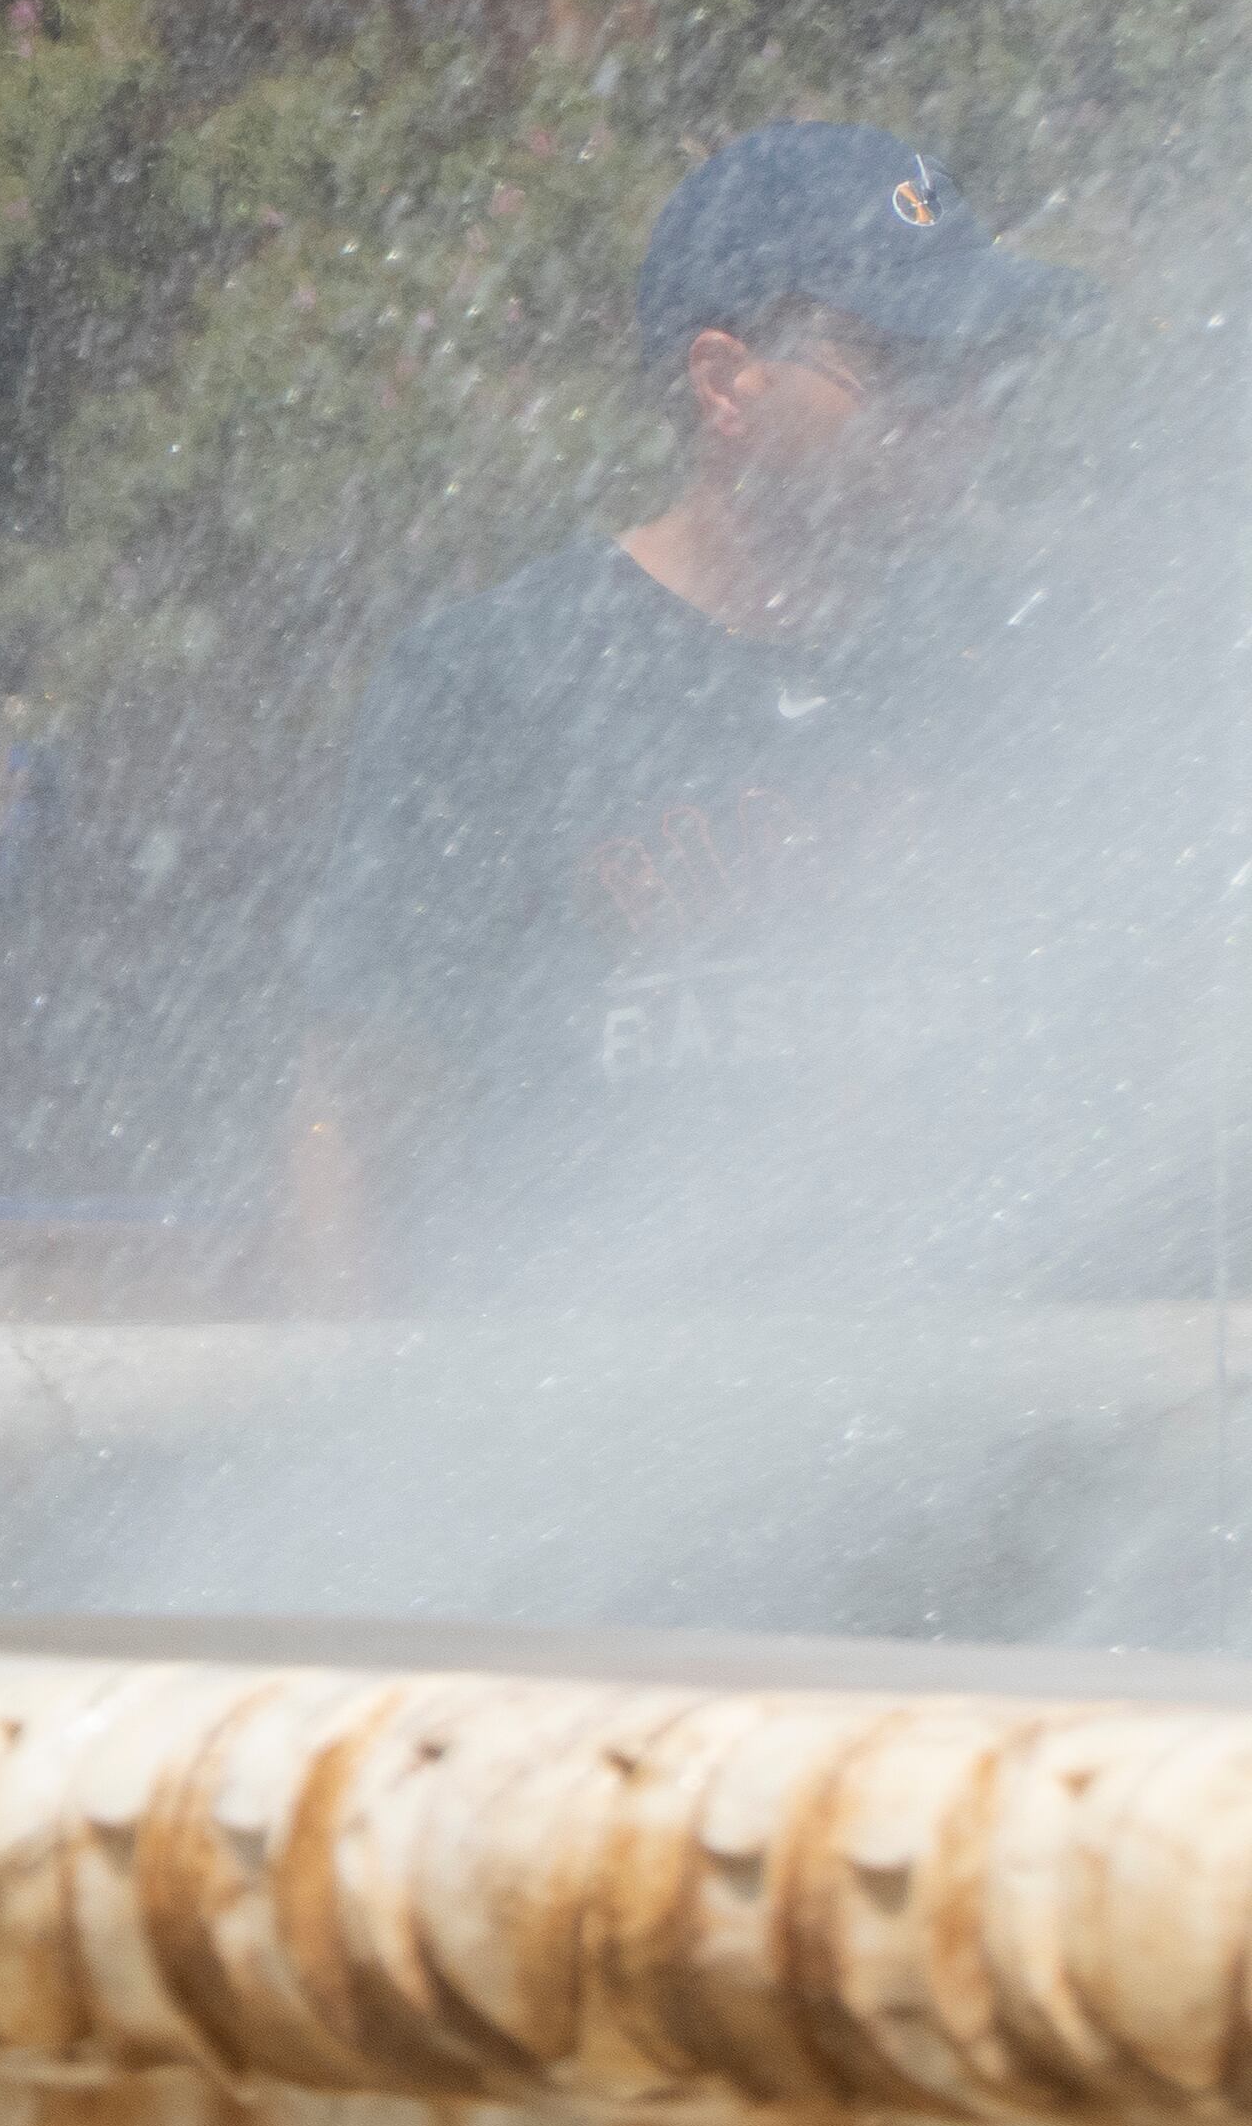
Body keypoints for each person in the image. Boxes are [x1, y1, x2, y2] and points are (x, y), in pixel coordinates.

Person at [277, 123, 1097, 1312]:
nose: (962, 409)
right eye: (905, 363)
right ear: (724, 382)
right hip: (608, 1436)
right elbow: (351, 1108)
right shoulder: (496, 677)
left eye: (983, 362)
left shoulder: (1021, 662)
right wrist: (339, 1448)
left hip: (974, 1451)